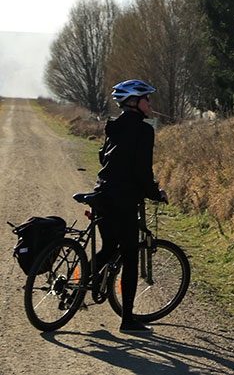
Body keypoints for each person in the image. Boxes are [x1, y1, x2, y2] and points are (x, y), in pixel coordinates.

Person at [92, 79, 168, 334]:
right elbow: (142, 170)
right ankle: (127, 320)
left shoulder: (114, 126)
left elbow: (103, 157)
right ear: (134, 102)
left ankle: (80, 288)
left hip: (102, 194)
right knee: (130, 257)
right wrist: (155, 193)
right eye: (147, 98)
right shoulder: (144, 131)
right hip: (123, 201)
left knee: (107, 247)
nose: (150, 102)